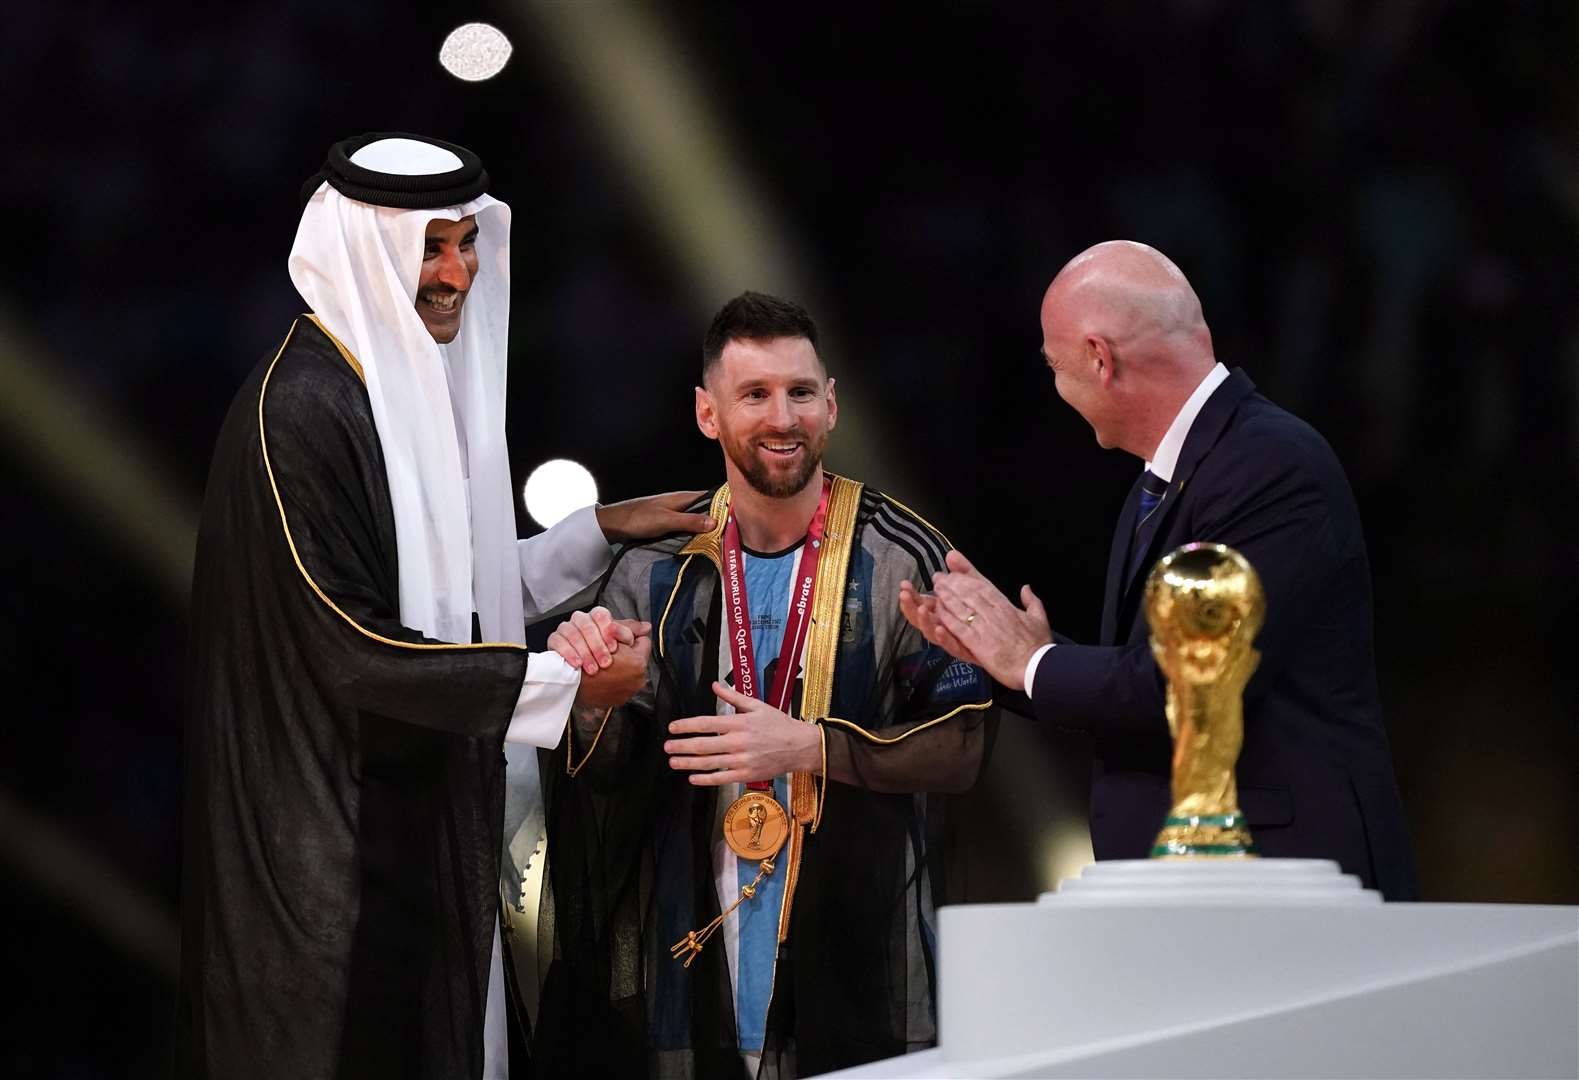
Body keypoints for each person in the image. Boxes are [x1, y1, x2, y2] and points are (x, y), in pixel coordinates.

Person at [176, 133, 711, 1079]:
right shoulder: (300, 406)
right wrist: (568, 689)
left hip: (403, 823)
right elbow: (351, 647)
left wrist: (596, 529)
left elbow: (443, 590)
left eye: (467, 243)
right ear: (369, 249)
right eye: (432, 247)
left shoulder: (370, 386)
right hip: (328, 855)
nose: (458, 272)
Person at [532, 292, 993, 1079]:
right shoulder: (656, 569)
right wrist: (596, 702)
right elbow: (603, 776)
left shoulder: (901, 557)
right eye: (755, 395)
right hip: (685, 964)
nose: (783, 418)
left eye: (800, 393)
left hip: (863, 965)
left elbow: (963, 747)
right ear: (708, 414)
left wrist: (814, 746)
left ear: (832, 405)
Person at [900, 241, 1417, 901]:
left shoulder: (1267, 467)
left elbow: (1180, 686)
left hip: (1279, 885)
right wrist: (1005, 655)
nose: (1058, 389)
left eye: (1055, 367)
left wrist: (1032, 662)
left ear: (1098, 358)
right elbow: (1145, 679)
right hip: (1212, 886)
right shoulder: (1175, 477)